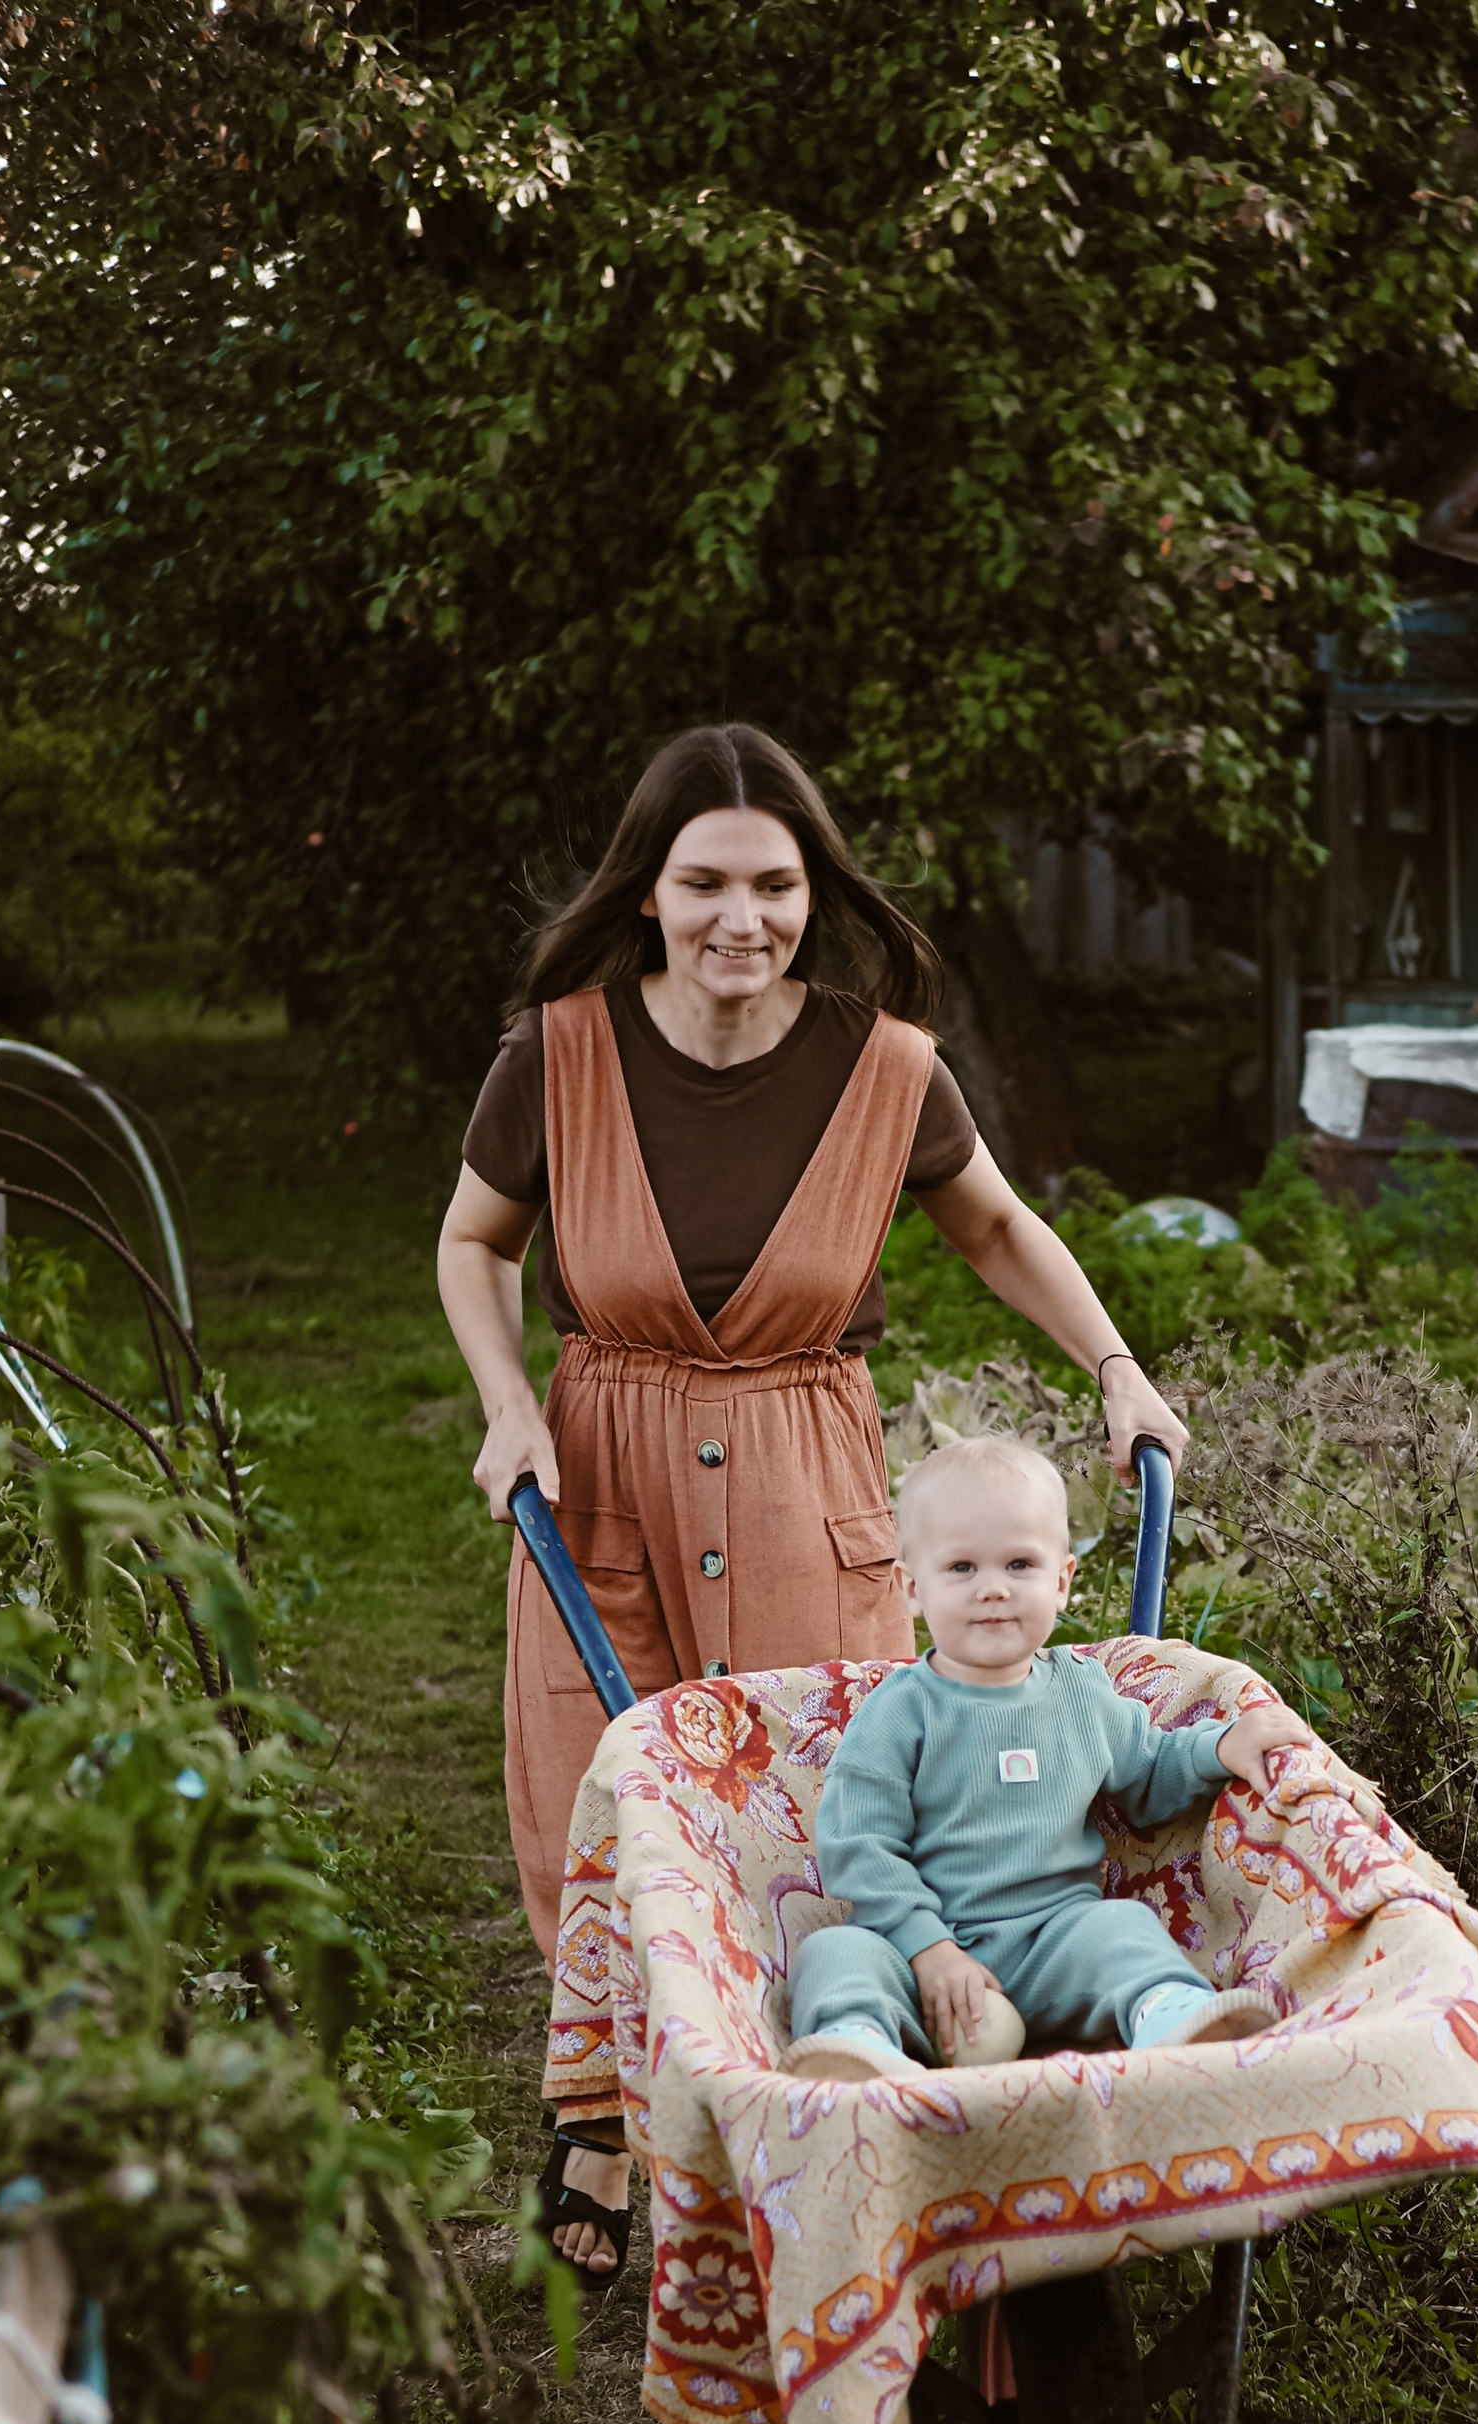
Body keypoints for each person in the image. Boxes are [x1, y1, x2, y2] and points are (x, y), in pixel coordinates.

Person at [434, 725, 1190, 2277]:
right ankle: (599, 2110)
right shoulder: (558, 1053)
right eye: (704, 881)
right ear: (646, 892)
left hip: (808, 1472)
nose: (742, 916)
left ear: (811, 889)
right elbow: (472, 1242)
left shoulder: (883, 1066)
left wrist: (1117, 1366)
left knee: (815, 1820)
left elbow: (995, 1227)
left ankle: (813, 2118)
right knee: (611, 1809)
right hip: (608, 1470)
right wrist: (510, 1404)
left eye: (774, 883)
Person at [787, 1437, 1307, 2082]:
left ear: (1062, 1582)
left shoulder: (1083, 1693)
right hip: (923, 1961)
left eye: (1019, 1565)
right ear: (911, 1590)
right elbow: (858, 1845)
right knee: (835, 1952)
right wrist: (929, 1949)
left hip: (1054, 1945)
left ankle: (1171, 2014)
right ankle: (859, 2046)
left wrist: (1220, 1746)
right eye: (962, 1569)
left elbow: (1149, 1771)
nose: (993, 1590)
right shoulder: (899, 1712)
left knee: (1121, 1927)